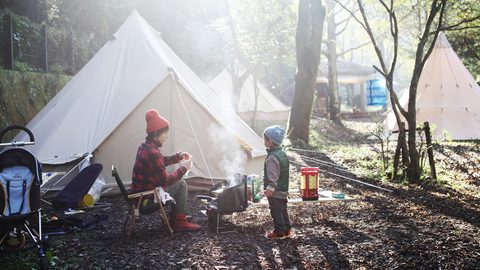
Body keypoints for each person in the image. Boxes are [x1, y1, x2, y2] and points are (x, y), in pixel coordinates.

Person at [131, 109, 201, 232]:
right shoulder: (152, 153)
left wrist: (178, 156)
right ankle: (179, 221)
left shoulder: (145, 146)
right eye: (165, 134)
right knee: (181, 184)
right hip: (146, 198)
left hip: (140, 194)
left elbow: (161, 161)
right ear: (156, 133)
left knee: (178, 182)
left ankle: (178, 216)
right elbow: (166, 180)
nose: (167, 137)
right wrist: (184, 168)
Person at [262, 125, 292, 239]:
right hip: (283, 189)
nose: (264, 141)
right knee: (283, 209)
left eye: (265, 139)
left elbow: (273, 175)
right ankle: (287, 229)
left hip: (275, 191)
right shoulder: (282, 153)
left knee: (276, 211)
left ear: (270, 141)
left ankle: (279, 232)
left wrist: (270, 188)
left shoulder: (272, 158)